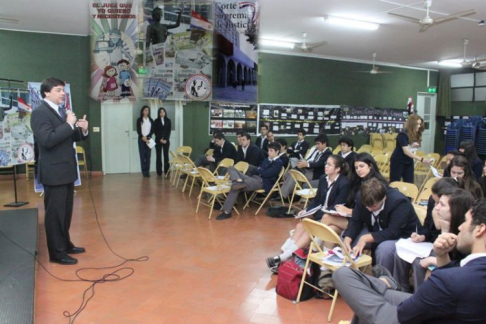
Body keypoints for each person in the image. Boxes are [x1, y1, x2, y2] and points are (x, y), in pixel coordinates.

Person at [333, 198, 486, 324]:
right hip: (443, 308)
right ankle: (384, 284)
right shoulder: (466, 274)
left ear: (479, 229)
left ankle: (385, 283)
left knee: (343, 275)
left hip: (408, 317)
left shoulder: (451, 280)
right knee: (368, 295)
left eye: (465, 221)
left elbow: (404, 315)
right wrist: (442, 256)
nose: (460, 227)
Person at [30, 77, 89, 265]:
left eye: (63, 89)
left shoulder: (61, 112)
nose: (62, 93)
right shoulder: (40, 113)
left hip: (66, 170)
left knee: (65, 212)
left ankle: (65, 244)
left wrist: (82, 130)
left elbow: (69, 137)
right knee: (55, 214)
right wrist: (69, 124)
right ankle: (56, 253)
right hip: (54, 173)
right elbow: (47, 140)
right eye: (58, 90)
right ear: (46, 92)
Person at [266, 154, 350, 269]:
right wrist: (307, 210)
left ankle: (284, 258)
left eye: (329, 165)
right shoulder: (323, 179)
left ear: (338, 169)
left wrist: (314, 213)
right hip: (321, 213)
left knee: (309, 229)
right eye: (326, 163)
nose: (325, 166)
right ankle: (285, 257)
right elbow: (317, 200)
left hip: (332, 217)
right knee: (301, 225)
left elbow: (335, 207)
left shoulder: (344, 183)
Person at [393, 181, 469, 293]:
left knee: (420, 263)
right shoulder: (446, 222)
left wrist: (434, 261)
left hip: (456, 282)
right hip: (438, 256)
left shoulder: (464, 232)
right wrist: (423, 235)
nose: (436, 208)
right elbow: (430, 228)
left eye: (441, 204)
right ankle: (402, 290)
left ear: (455, 209)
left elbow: (464, 265)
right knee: (399, 252)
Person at [343, 178, 419, 272]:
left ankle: (383, 280)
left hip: (402, 235)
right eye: (366, 206)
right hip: (375, 228)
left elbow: (394, 231)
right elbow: (355, 221)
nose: (369, 209)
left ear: (384, 198)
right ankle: (353, 276)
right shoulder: (361, 196)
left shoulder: (399, 202)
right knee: (349, 241)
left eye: (373, 206)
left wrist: (365, 238)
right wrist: (347, 239)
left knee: (383, 249)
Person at [216, 142, 283, 220]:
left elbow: (267, 174)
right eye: (268, 150)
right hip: (253, 178)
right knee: (231, 168)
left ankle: (226, 212)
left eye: (271, 151)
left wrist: (259, 170)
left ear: (277, 151)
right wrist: (260, 170)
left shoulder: (278, 163)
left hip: (261, 182)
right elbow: (257, 170)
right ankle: (238, 181)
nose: (268, 152)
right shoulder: (267, 159)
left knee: (235, 187)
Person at [280, 134, 332, 199]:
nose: (317, 146)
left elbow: (319, 164)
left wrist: (306, 164)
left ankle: (283, 195)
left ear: (324, 143)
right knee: (292, 172)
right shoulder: (317, 151)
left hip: (315, 174)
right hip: (308, 170)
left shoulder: (328, 153)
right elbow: (309, 160)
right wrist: (303, 164)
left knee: (293, 174)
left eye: (318, 144)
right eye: (316, 144)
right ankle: (286, 194)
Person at [390, 114, 431, 183]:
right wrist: (422, 159)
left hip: (408, 161)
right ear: (412, 124)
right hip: (398, 161)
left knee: (409, 183)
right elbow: (406, 151)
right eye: (417, 124)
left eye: (420, 124)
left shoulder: (414, 134)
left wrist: (412, 145)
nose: (419, 126)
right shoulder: (402, 134)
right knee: (394, 182)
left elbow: (409, 147)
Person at [152, 107, 171, 176]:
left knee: (166, 156)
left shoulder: (168, 120)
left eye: (163, 112)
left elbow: (169, 131)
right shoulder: (156, 121)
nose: (162, 113)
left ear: (165, 112)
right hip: (158, 141)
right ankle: (159, 171)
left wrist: (166, 139)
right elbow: (155, 131)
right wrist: (160, 139)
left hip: (166, 141)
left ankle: (167, 171)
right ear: (159, 113)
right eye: (160, 112)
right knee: (158, 156)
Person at [136, 105, 154, 177]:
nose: (147, 111)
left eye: (148, 110)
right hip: (141, 139)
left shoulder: (151, 120)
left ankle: (147, 171)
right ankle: (144, 172)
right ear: (142, 111)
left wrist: (147, 137)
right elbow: (138, 130)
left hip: (149, 139)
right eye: (145, 110)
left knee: (148, 156)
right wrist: (142, 137)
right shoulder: (139, 120)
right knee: (142, 155)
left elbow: (152, 130)